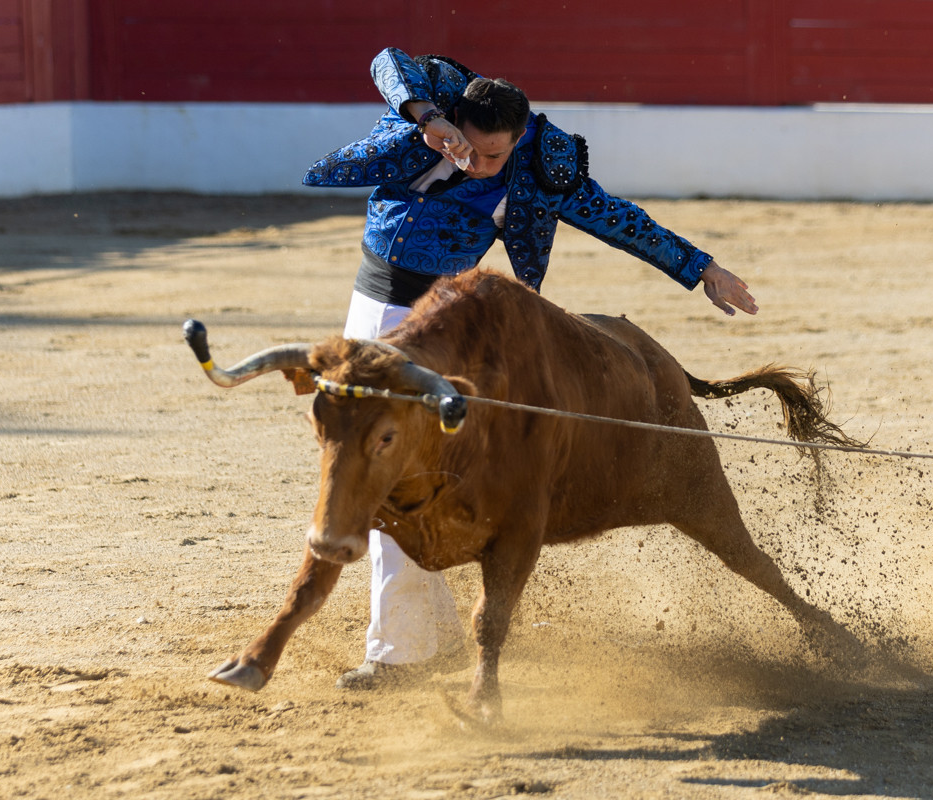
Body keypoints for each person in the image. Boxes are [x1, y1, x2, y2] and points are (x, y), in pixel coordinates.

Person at [302, 47, 758, 689]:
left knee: (390, 475)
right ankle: (425, 637)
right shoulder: (426, 114)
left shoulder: (541, 169)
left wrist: (701, 268)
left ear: (519, 139)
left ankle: (401, 651)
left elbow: (620, 221)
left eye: (495, 155)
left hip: (444, 337)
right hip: (370, 306)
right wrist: (427, 117)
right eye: (469, 147)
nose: (477, 163)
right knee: (379, 470)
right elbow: (386, 59)